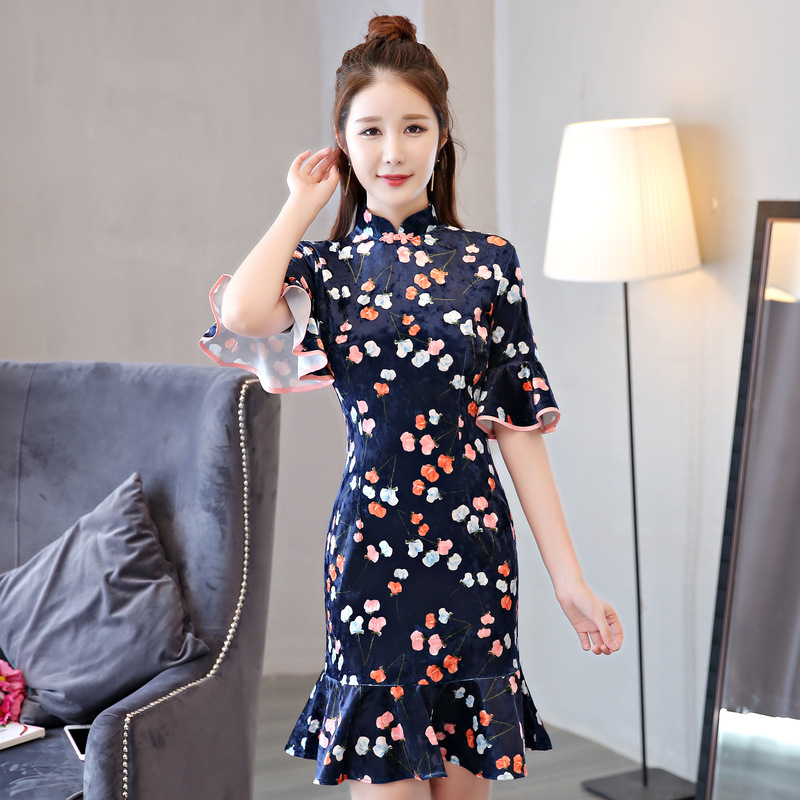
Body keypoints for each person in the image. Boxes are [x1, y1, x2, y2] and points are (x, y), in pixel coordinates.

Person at [200, 14, 622, 800]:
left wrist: (568, 578)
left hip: (474, 552)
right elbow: (243, 313)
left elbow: (515, 428)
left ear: (441, 137)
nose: (392, 151)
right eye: (370, 131)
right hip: (370, 552)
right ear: (342, 142)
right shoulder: (325, 268)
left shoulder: (488, 263)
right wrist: (299, 203)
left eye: (413, 127)